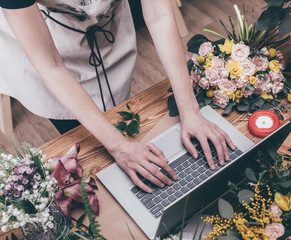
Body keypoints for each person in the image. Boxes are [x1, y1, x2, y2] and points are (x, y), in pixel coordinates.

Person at [0, 0, 235, 193]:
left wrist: (190, 110)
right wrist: (118, 147)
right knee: (91, 151)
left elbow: (159, 14)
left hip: (107, 27)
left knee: (119, 114)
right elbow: (51, 67)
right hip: (45, 45)